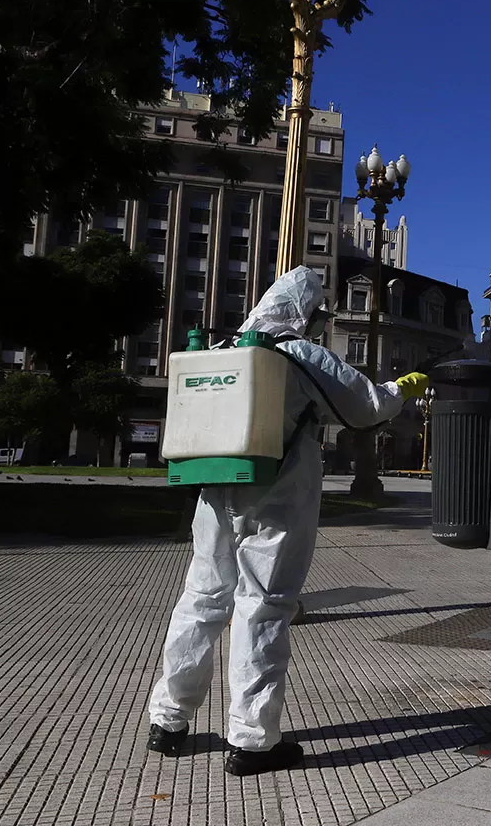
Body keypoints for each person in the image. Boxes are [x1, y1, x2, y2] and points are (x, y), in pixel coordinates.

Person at [146, 268, 428, 776]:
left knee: (201, 600)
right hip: (275, 496)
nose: (320, 325)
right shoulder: (298, 353)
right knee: (263, 607)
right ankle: (253, 742)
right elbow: (365, 407)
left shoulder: (222, 349)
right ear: (306, 313)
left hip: (214, 490)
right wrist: (403, 388)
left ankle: (168, 721)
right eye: (319, 316)